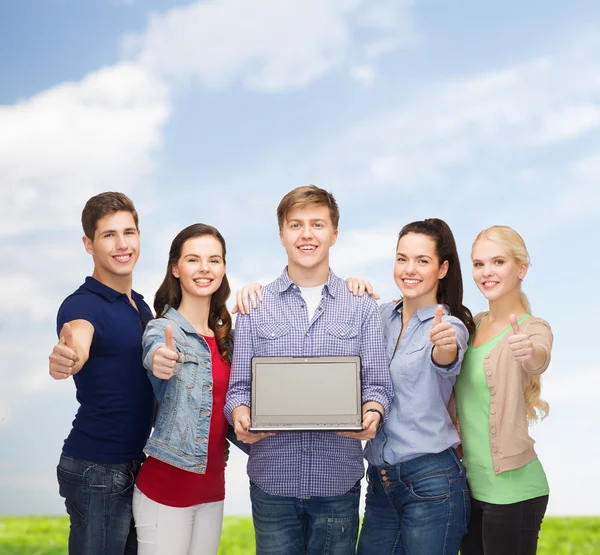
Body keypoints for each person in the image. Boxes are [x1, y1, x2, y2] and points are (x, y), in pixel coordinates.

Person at [224, 185, 393, 555]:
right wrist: (239, 414)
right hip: (272, 483)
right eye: (296, 224)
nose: (307, 234)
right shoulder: (255, 306)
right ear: (282, 234)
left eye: (317, 224)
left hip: (337, 482)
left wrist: (372, 412)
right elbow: (238, 389)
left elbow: (378, 385)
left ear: (334, 233)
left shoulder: (360, 306)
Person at [349, 218, 474, 555]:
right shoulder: (378, 316)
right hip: (379, 482)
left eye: (423, 261)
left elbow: (447, 356)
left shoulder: (449, 326)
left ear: (442, 268)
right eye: (402, 258)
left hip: (432, 481)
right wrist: (349, 289)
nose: (409, 269)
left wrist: (444, 346)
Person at [48, 192, 155, 555]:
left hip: (131, 463)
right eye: (109, 235)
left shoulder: (139, 305)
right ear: (88, 244)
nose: (122, 244)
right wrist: (68, 357)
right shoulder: (82, 305)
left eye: (129, 232)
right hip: (97, 468)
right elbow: (77, 341)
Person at [133, 224, 236, 555]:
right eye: (193, 259)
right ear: (176, 268)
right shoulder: (163, 330)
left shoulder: (226, 339)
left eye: (214, 260)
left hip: (211, 491)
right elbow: (154, 353)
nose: (205, 268)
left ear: (222, 268)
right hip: (166, 491)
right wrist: (159, 360)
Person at [454, 226, 552, 555]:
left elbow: (539, 356)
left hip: (515, 490)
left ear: (521, 269)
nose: (486, 272)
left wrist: (530, 353)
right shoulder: (474, 323)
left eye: (498, 261)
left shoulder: (532, 328)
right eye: (479, 264)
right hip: (473, 487)